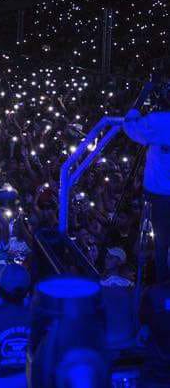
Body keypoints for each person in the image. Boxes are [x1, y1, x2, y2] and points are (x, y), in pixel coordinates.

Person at [123, 77, 170, 283]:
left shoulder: (157, 120)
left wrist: (142, 95)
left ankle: (162, 284)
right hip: (158, 191)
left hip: (158, 192)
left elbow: (130, 126)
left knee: (161, 242)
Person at [140, 249, 170, 387]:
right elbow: (144, 333)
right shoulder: (153, 294)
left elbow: (143, 334)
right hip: (158, 374)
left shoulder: (153, 294)